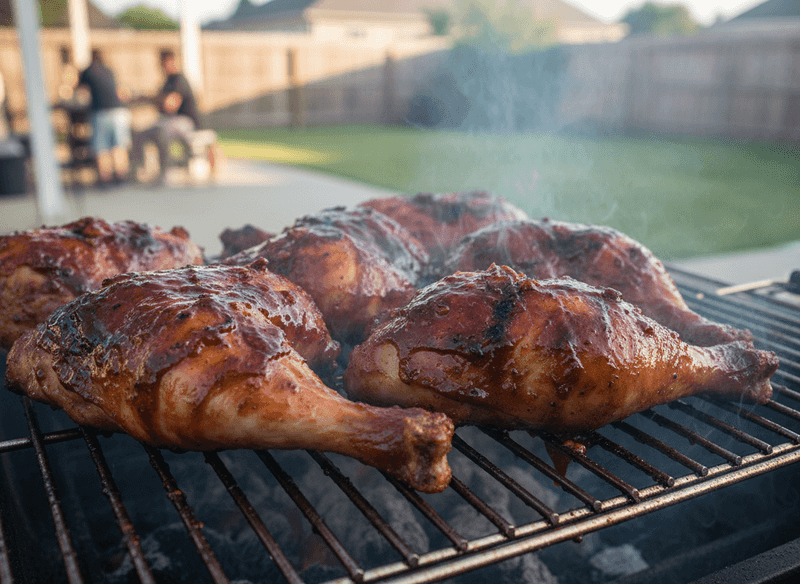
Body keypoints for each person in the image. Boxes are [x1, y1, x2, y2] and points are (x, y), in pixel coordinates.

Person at [139, 49, 202, 184]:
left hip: (186, 121)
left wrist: (155, 99)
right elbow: (160, 103)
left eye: (163, 63)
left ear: (171, 61)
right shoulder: (167, 81)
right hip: (170, 120)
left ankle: (163, 173)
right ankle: (140, 171)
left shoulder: (179, 80)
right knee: (142, 133)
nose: (161, 67)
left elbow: (170, 105)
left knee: (161, 132)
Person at [77, 49, 132, 185]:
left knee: (102, 148)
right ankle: (121, 176)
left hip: (101, 112)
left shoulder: (88, 71)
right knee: (119, 146)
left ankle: (106, 178)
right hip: (119, 112)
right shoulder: (109, 70)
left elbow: (80, 91)